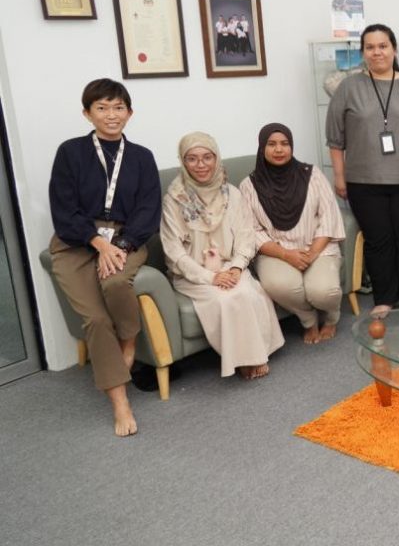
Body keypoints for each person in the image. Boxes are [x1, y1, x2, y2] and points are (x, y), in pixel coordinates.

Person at [48, 78, 161, 437]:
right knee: (96, 320)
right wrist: (98, 243)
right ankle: (120, 402)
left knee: (115, 283)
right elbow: (64, 209)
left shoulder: (141, 157)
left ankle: (128, 339)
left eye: (118, 107)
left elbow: (148, 211)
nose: (111, 115)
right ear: (87, 113)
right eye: (102, 108)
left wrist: (121, 245)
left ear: (130, 113)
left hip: (127, 239)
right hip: (76, 242)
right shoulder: (70, 152)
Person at [326, 23, 399, 319]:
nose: (377, 52)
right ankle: (385, 298)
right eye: (370, 47)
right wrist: (339, 177)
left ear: (394, 49)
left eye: (383, 46)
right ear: (363, 52)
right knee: (378, 241)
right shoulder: (348, 87)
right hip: (363, 181)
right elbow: (335, 138)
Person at [161, 132, 284, 379]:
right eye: (192, 159)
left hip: (230, 266)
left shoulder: (232, 193)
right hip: (193, 274)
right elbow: (174, 252)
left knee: (246, 292)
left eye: (207, 157)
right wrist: (210, 277)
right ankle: (244, 360)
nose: (201, 165)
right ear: (183, 162)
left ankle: (255, 355)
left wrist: (236, 268)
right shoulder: (174, 199)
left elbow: (246, 236)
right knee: (225, 299)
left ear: (216, 158)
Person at [241, 123, 346, 344]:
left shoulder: (313, 175)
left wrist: (312, 253)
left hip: (318, 246)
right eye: (272, 144)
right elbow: (252, 231)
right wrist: (287, 255)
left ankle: (331, 317)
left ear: (291, 146)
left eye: (285, 144)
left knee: (324, 291)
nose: (279, 149)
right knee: (280, 286)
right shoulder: (249, 186)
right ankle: (308, 320)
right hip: (276, 251)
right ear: (262, 148)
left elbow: (329, 216)